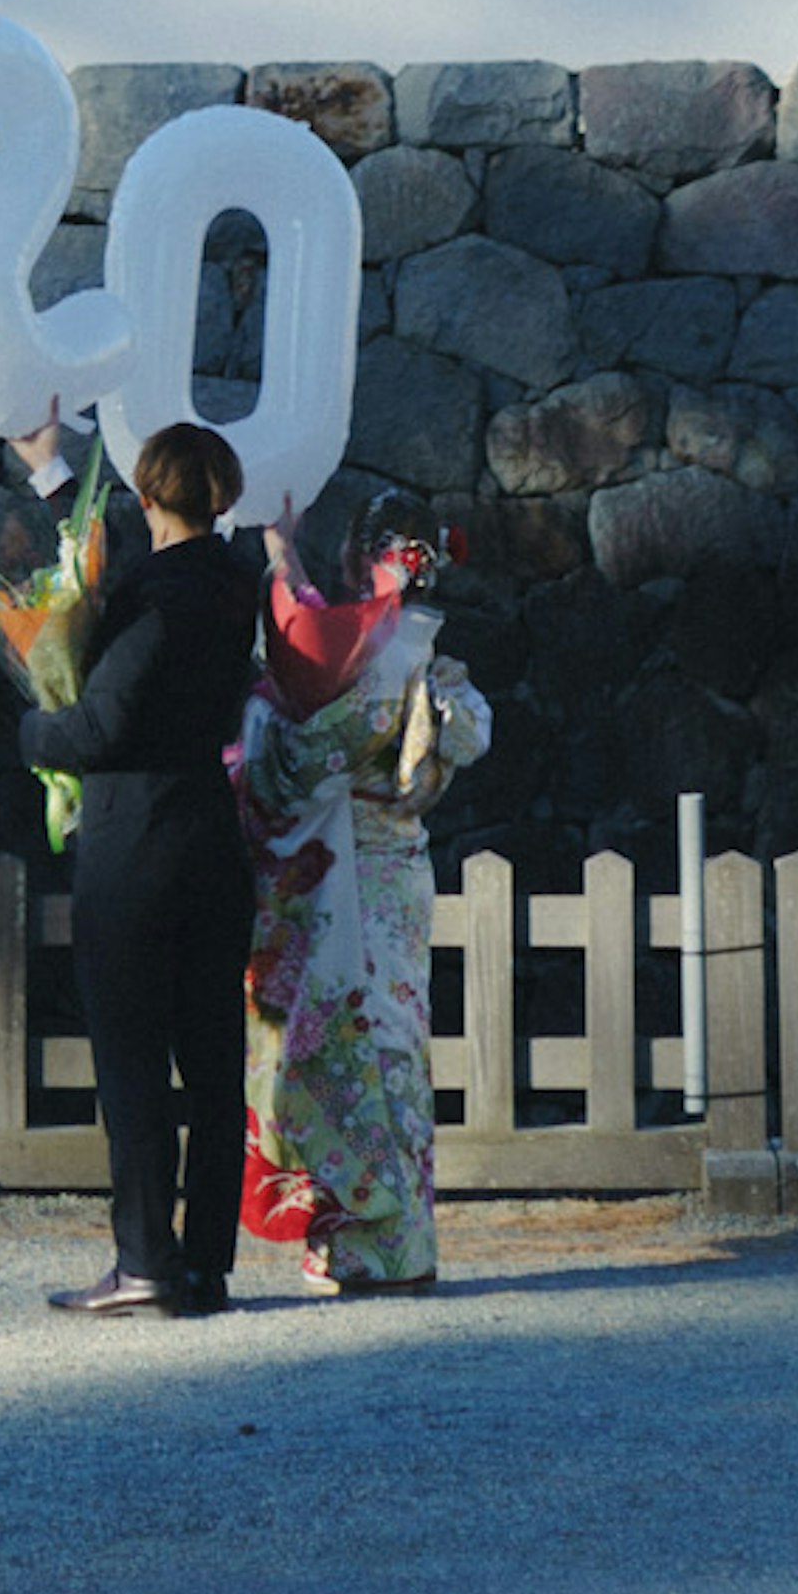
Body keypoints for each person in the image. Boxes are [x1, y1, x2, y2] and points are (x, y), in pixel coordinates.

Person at [11, 415, 265, 1320]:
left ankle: (144, 1259)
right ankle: (205, 1266)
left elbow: (99, 726)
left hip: (135, 847)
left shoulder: (151, 594)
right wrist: (53, 472)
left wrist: (32, 730)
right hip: (211, 835)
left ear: (152, 495)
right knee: (212, 1063)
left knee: (132, 1062)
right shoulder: (241, 584)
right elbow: (102, 542)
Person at [236, 508, 490, 1297]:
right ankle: (389, 1237)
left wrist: (260, 730)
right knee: (392, 1043)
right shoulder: (413, 646)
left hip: (353, 873)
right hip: (395, 868)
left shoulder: (384, 656)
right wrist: (283, 552)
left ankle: (378, 1244)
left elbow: (309, 750)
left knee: (365, 1043)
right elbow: (314, 631)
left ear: (368, 555)